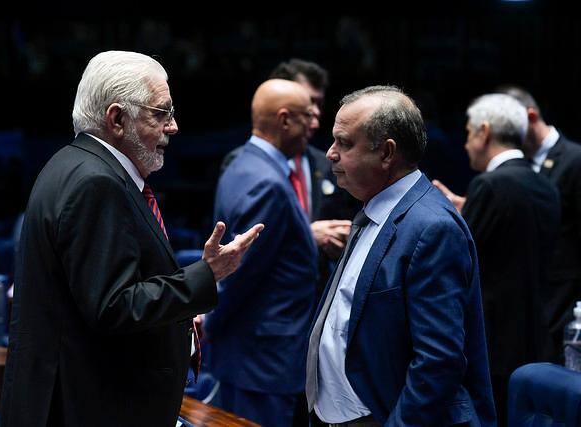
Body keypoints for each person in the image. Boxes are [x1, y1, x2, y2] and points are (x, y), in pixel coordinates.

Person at [0, 50, 264, 427]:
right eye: (161, 113)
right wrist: (207, 274)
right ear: (117, 118)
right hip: (90, 407)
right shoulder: (96, 183)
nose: (173, 127)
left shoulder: (71, 163)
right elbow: (113, 306)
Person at [306, 86, 496, 426]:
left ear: (386, 153)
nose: (330, 154)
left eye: (344, 143)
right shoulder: (374, 208)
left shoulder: (432, 228)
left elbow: (438, 362)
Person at [433, 93, 560, 425]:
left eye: (468, 132)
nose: (465, 144)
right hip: (536, 334)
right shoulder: (543, 184)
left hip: (493, 342)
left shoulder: (489, 185)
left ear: (484, 132)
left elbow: (462, 259)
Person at [204, 79, 319, 426]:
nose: (313, 126)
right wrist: (208, 322)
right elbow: (239, 273)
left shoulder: (242, 164)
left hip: (251, 353)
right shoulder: (268, 183)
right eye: (307, 116)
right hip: (263, 361)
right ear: (284, 120)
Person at [222, 58, 357, 301]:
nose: (315, 112)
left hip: (317, 297)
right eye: (307, 103)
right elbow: (241, 249)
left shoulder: (326, 162)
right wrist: (308, 235)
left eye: (318, 103)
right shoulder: (245, 166)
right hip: (269, 308)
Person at [497, 86, 581, 364]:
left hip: (563, 299)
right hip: (527, 297)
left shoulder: (575, 159)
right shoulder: (518, 166)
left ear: (530, 116)